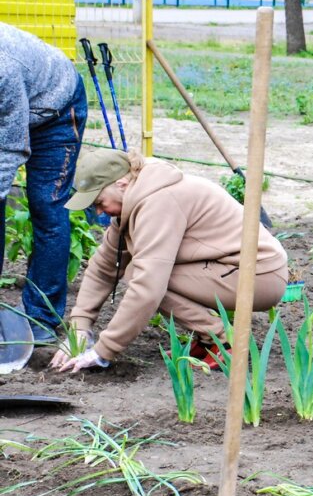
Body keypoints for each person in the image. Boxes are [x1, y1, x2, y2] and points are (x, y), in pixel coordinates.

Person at [49, 149, 288, 372]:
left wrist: (102, 351)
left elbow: (148, 289)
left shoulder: (159, 202)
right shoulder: (135, 198)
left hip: (258, 275)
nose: (99, 211)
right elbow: (104, 267)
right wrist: (80, 328)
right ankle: (211, 337)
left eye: (100, 202)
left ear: (121, 184)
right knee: (142, 273)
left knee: (143, 277)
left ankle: (223, 339)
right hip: (227, 269)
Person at [0, 21, 88, 342]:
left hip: (57, 109)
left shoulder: (3, 69)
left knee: (46, 205)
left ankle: (42, 317)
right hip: (11, 110)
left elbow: (11, 145)